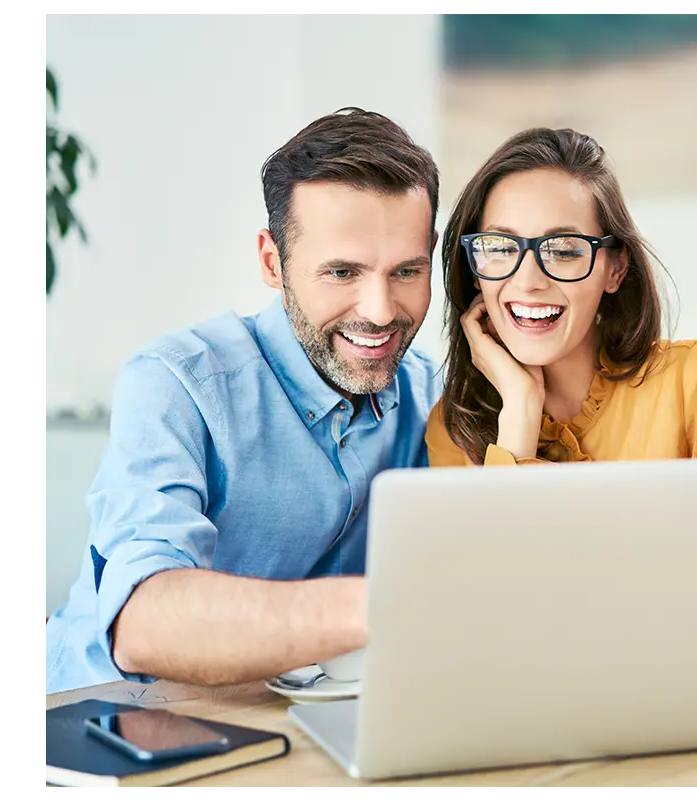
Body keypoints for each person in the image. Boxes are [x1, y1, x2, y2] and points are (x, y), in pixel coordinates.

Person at [44, 108, 442, 694]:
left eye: (407, 270)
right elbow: (143, 621)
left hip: (296, 727)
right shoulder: (177, 384)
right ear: (272, 262)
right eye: (341, 272)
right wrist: (388, 608)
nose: (381, 311)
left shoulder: (428, 394)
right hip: (107, 722)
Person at [424, 127, 697, 690]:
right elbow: (488, 636)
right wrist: (518, 412)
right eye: (500, 248)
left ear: (615, 269)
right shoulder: (455, 427)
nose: (528, 279)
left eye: (564, 250)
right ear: (474, 270)